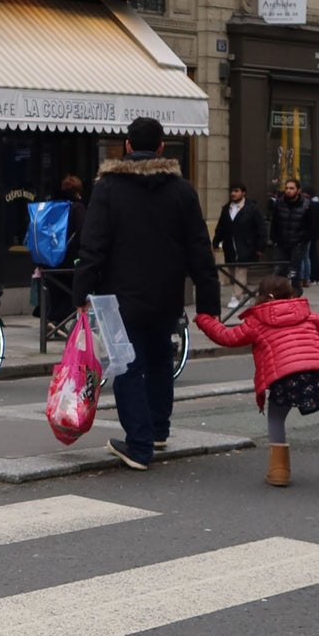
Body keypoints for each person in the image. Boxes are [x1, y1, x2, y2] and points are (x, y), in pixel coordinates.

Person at [72, 116, 219, 469]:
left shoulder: (108, 187)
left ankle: (138, 444)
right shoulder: (182, 190)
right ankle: (157, 429)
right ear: (161, 148)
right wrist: (208, 302)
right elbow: (200, 247)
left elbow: (93, 245)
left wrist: (80, 291)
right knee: (158, 360)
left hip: (121, 296)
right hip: (167, 293)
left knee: (127, 367)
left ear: (125, 146)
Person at [195, 274, 319, 488]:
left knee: (277, 416)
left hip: (285, 377)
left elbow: (227, 338)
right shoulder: (311, 316)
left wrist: (204, 319)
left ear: (261, 296)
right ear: (291, 293)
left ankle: (279, 471)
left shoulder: (256, 322)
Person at [213, 182, 267, 295]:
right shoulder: (226, 208)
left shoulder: (252, 209)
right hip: (230, 246)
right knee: (234, 271)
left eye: (236, 191)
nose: (233, 193)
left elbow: (261, 228)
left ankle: (236, 298)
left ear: (243, 193)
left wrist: (260, 246)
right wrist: (216, 241)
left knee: (240, 271)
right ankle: (245, 293)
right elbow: (221, 226)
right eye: (232, 191)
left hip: (246, 246)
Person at [269, 177, 315, 294]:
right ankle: (280, 292)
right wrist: (275, 239)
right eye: (287, 188)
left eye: (291, 188)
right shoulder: (280, 203)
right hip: (281, 242)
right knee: (281, 269)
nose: (288, 190)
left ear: (298, 190)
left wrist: (304, 239)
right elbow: (275, 222)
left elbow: (312, 225)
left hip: (298, 242)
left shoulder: (307, 204)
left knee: (294, 270)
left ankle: (295, 293)